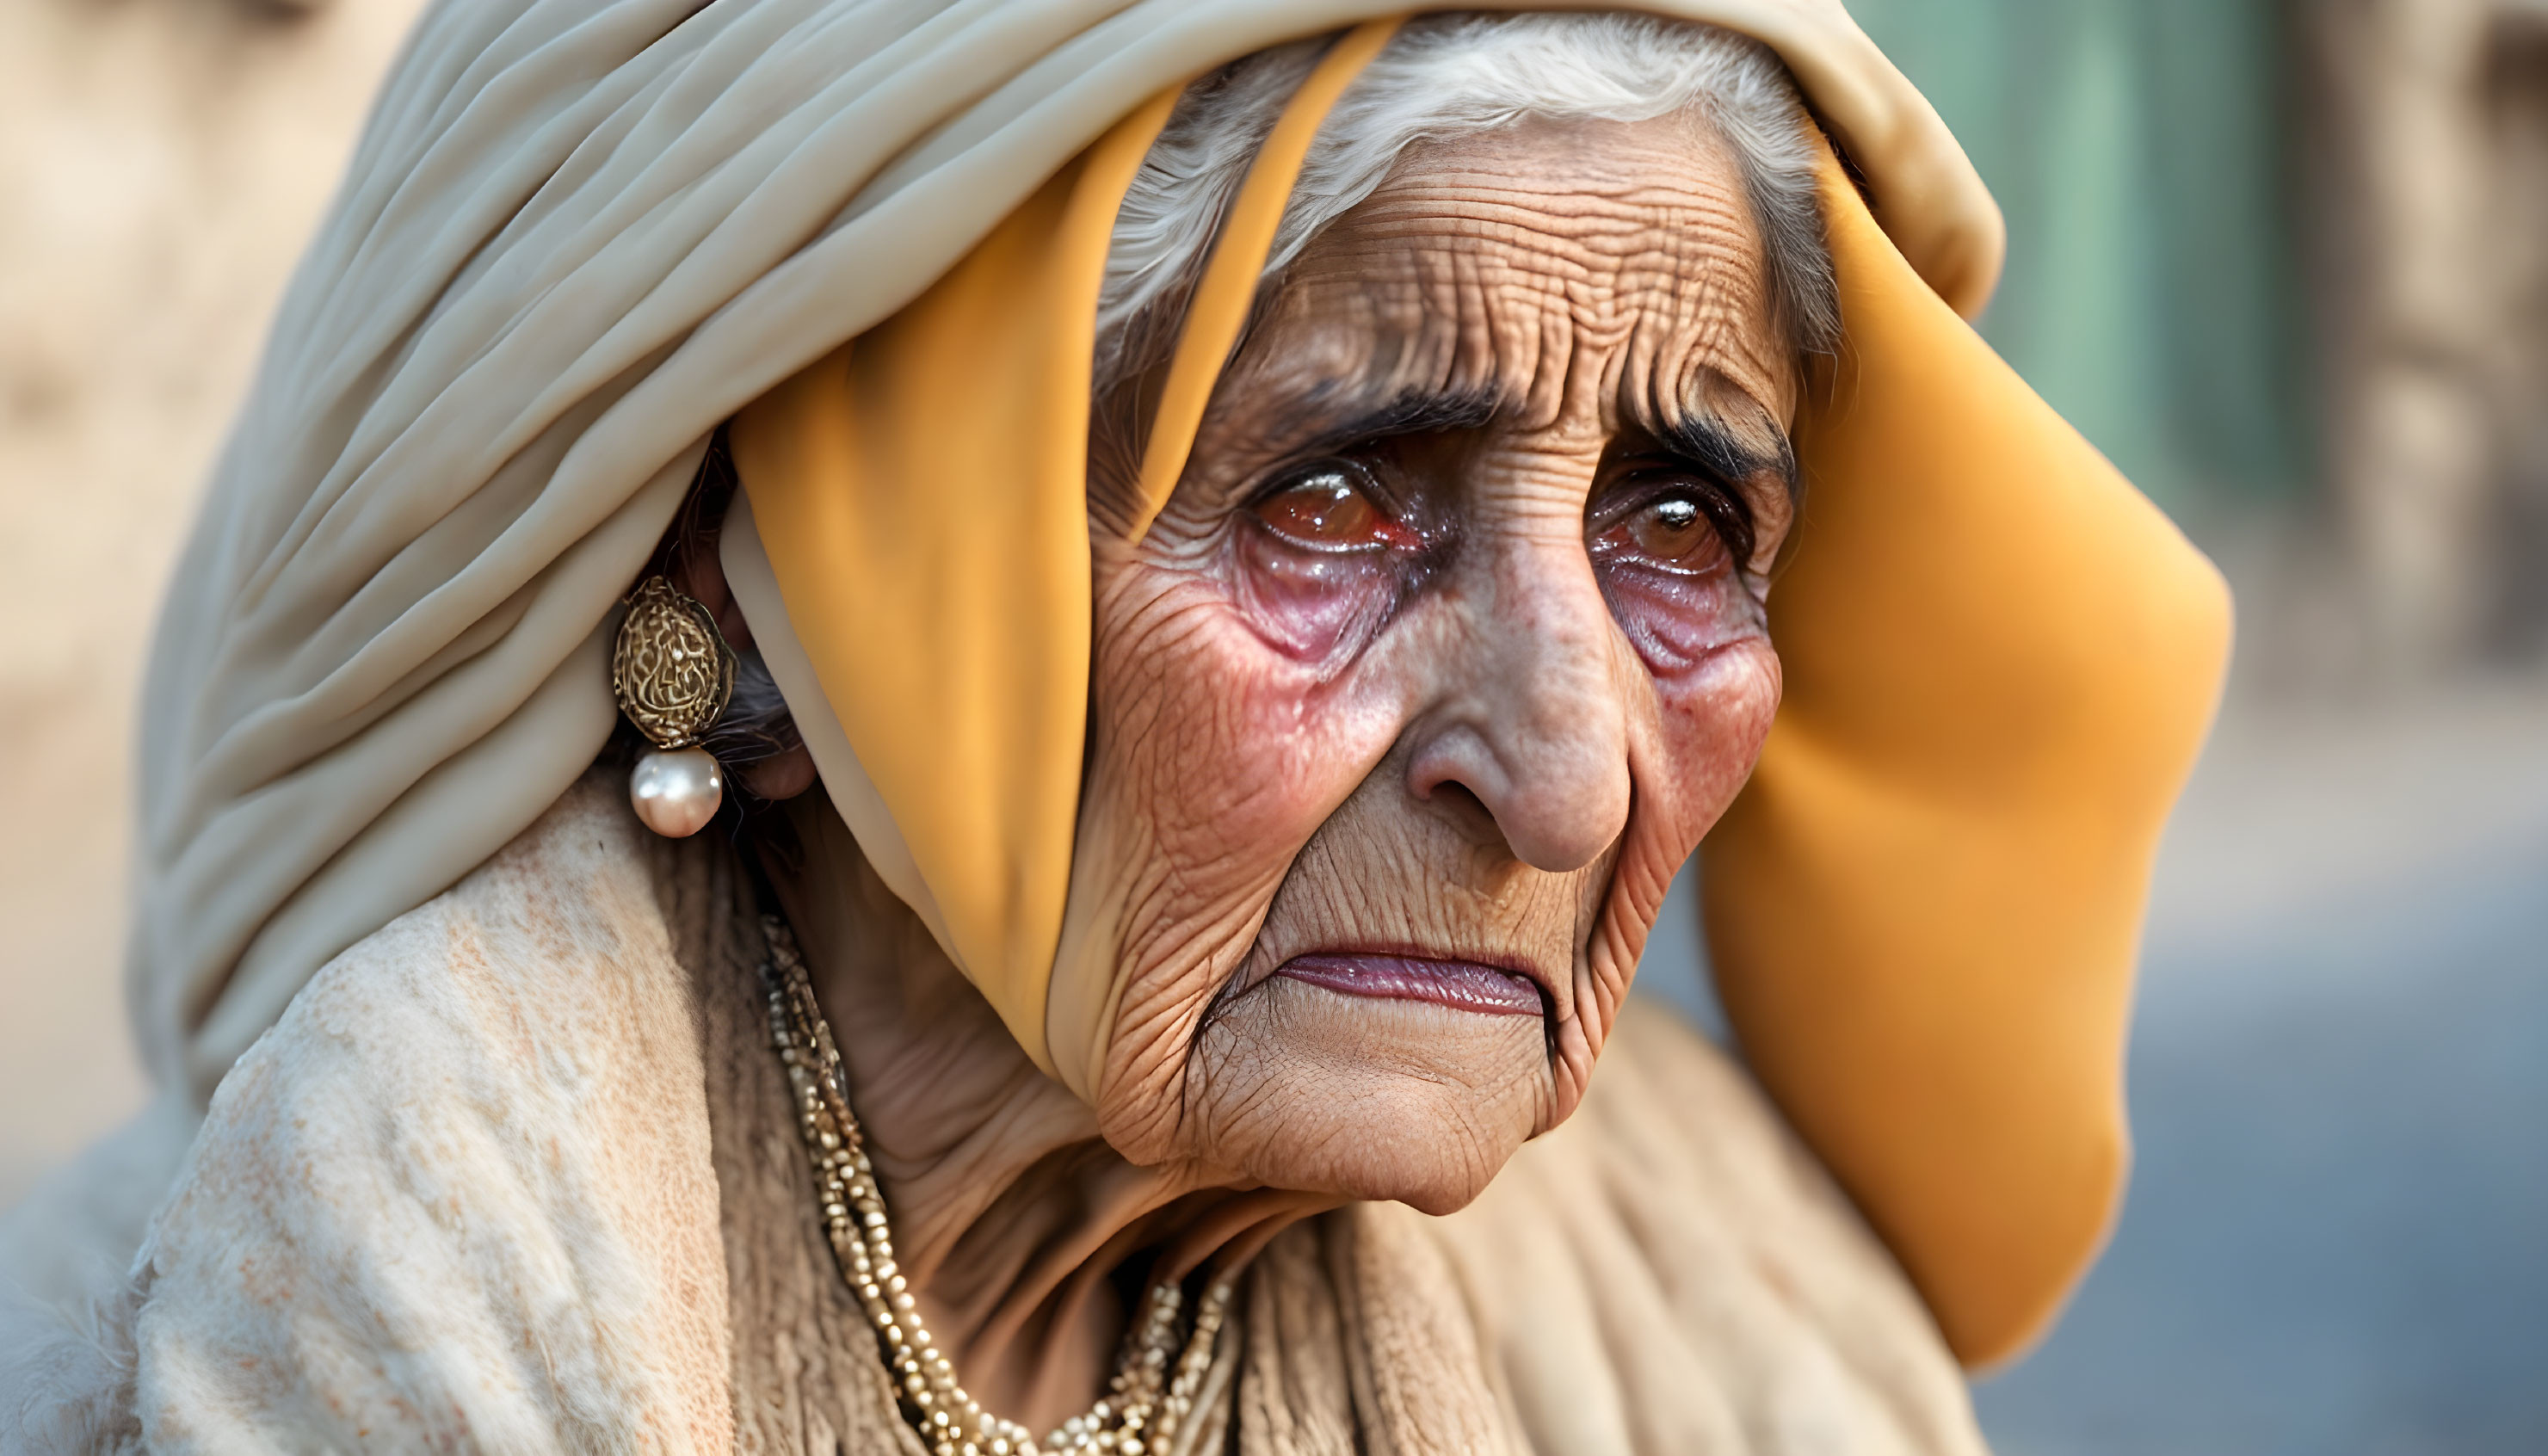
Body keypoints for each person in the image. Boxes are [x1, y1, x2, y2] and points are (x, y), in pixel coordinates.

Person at [0, 4, 2230, 1451]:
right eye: (1332, 501)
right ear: (734, 580)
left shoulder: (1726, 1326)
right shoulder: (390, 1261)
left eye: (1677, 520)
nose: (1562, 771)